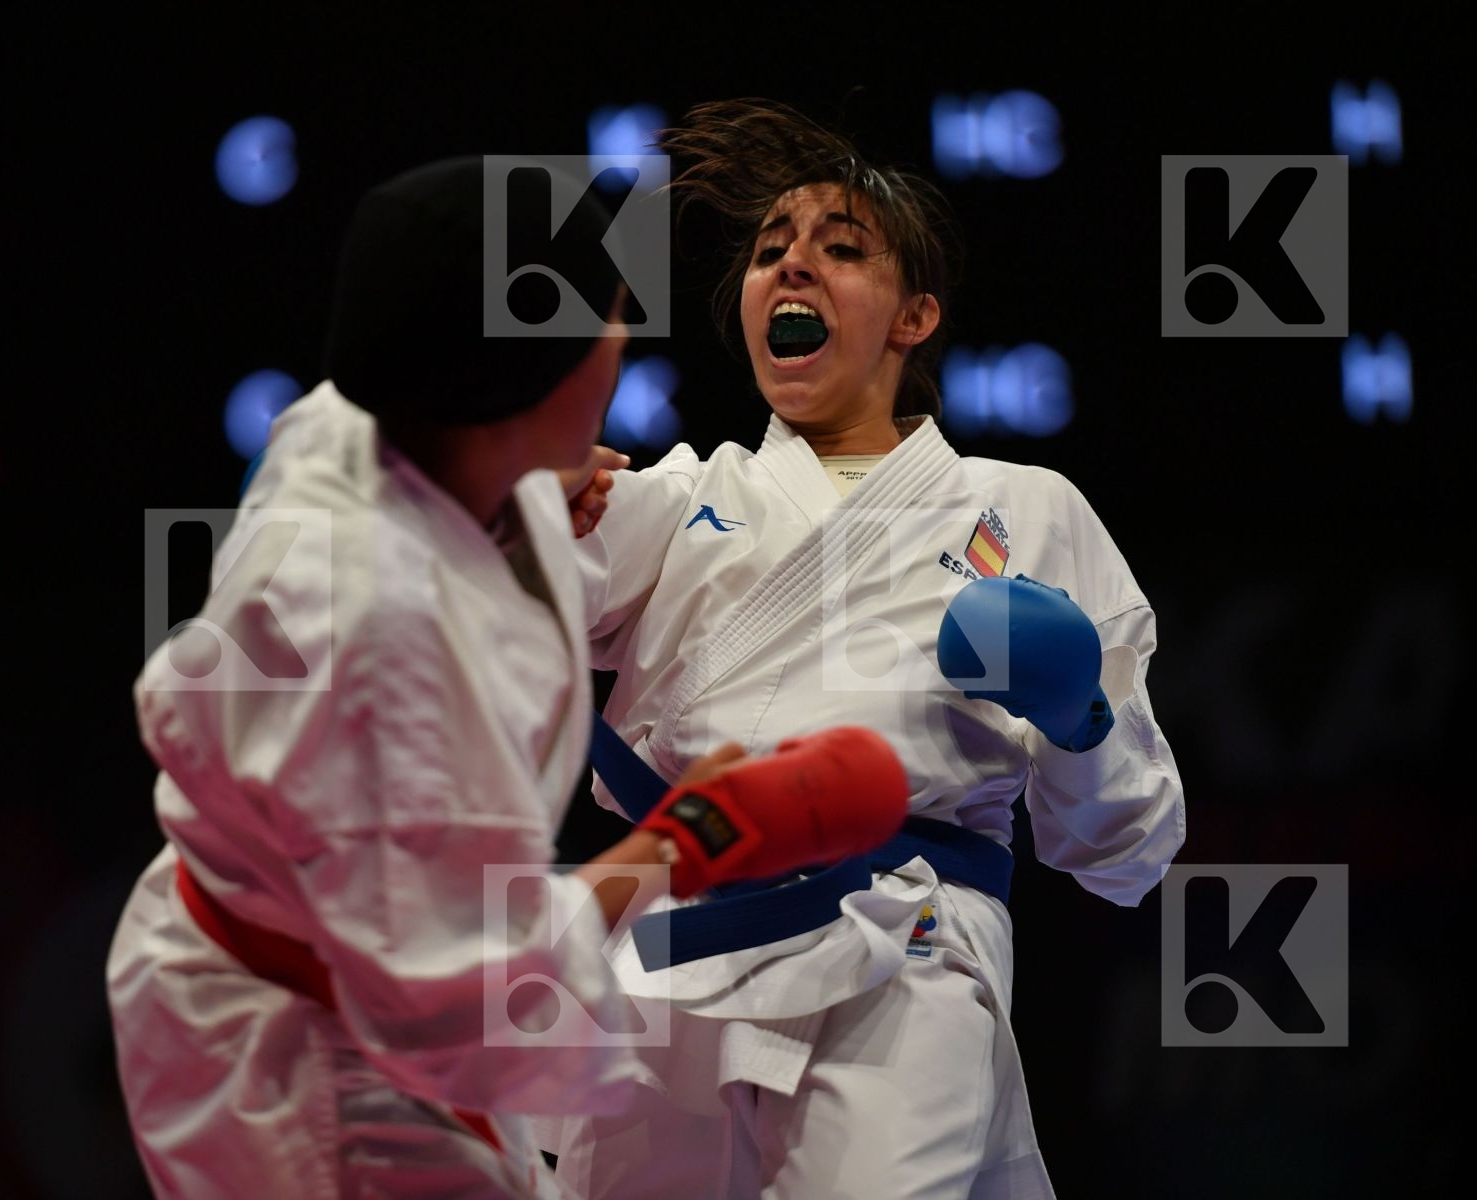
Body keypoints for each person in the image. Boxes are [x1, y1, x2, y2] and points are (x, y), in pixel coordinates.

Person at [105, 154, 914, 1199]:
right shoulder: (389, 642)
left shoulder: (380, 423)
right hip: (303, 1061)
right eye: (612, 319)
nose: (625, 342)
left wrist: (534, 475)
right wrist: (694, 837)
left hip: (321, 955)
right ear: (546, 366)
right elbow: (461, 1004)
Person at [542, 100, 1187, 1198]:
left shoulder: (1024, 509)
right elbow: (500, 621)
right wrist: (535, 505)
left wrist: (1078, 713)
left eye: (841, 251)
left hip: (901, 937)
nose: (792, 269)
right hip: (668, 947)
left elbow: (1127, 852)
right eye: (768, 252)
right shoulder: (679, 495)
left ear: (914, 316)